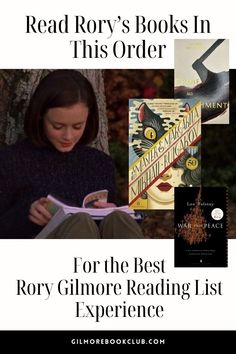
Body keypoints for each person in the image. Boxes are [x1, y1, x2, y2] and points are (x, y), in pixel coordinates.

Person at [0, 70, 143, 239]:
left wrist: (111, 210)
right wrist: (27, 215)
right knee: (79, 222)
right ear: (40, 117)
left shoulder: (99, 163)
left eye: (77, 127)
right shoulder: (11, 160)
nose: (68, 136)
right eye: (58, 126)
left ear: (88, 119)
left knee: (118, 219)